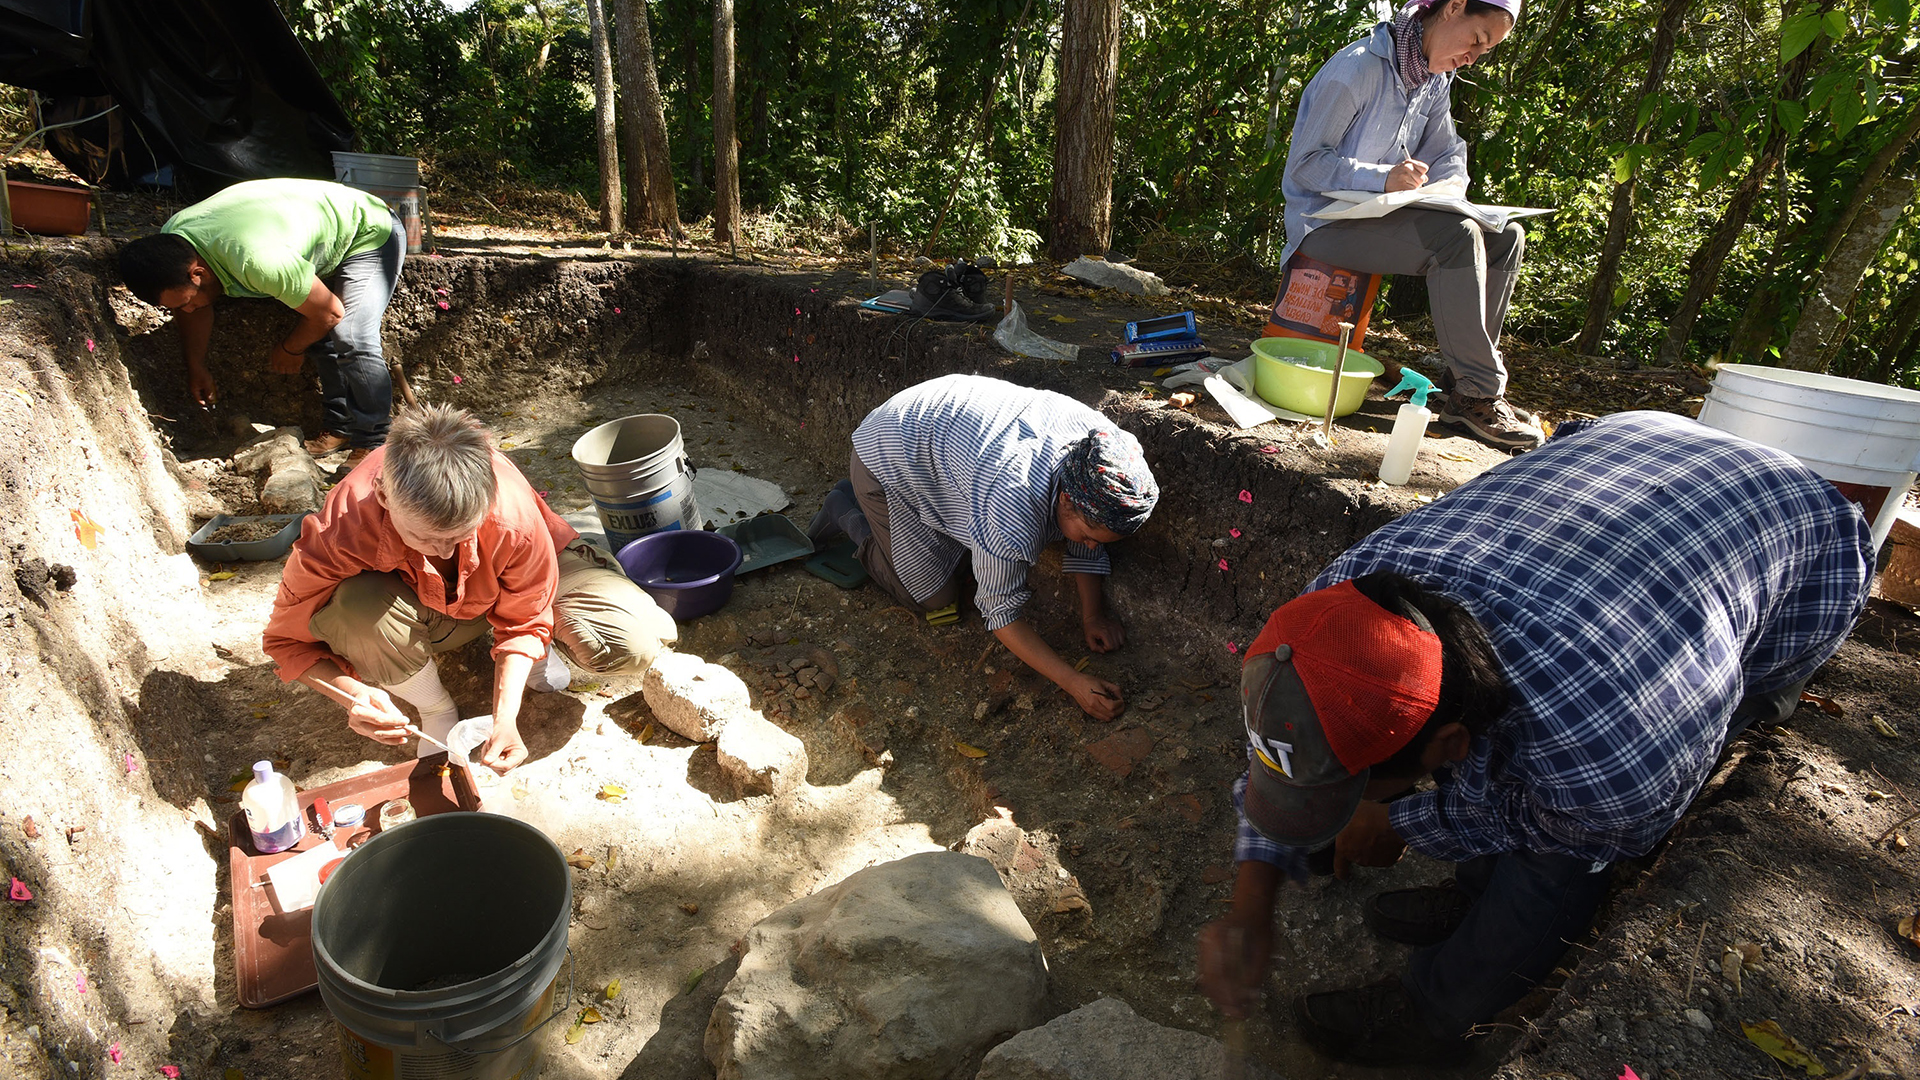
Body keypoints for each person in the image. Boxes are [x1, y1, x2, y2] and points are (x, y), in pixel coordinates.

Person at [1197, 411, 1873, 1065]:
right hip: (1638, 452)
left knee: (1562, 857)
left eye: (1352, 790)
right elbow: (1287, 743)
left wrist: (1401, 823)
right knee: (1510, 771)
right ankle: (1471, 893)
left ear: (1449, 748)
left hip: (1805, 544)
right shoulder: (1335, 611)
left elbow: (1575, 823)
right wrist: (1250, 906)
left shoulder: (1620, 745)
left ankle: (1437, 1014)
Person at [262, 405, 677, 773]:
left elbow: (525, 619)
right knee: (355, 609)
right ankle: (435, 707)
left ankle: (538, 654)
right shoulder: (343, 525)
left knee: (630, 642)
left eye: (463, 534)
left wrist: (505, 719)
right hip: (427, 604)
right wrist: (352, 695)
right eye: (424, 538)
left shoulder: (511, 513)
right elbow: (285, 642)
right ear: (385, 497)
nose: (446, 550)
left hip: (521, 585)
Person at [809, 374, 1159, 721]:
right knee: (933, 598)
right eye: (1088, 537)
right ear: (1066, 500)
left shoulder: (1111, 453)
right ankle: (845, 506)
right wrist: (1073, 682)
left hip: (941, 438)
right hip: (887, 453)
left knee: (975, 559)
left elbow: (1091, 530)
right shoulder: (1013, 505)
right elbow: (1000, 613)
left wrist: (1092, 615)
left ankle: (876, 509)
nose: (1091, 546)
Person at [1280, 0, 1542, 450]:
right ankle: (1480, 391)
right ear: (1453, 7)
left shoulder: (1434, 81)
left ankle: (1461, 386)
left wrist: (1450, 188)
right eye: (1476, 40)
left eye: (1486, 51)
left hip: (1381, 217)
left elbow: (1446, 153)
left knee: (1506, 237)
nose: (1473, 57)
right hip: (1323, 223)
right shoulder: (1356, 69)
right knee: (1455, 239)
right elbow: (1305, 165)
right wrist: (1381, 177)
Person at [118, 178, 405, 470]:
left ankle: (374, 443)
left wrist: (290, 349)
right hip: (311, 228)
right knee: (319, 333)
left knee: (351, 334)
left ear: (198, 273)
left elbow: (329, 313)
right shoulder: (174, 244)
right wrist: (196, 365)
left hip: (368, 229)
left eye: (187, 301)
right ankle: (340, 427)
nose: (189, 309)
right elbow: (192, 309)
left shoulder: (257, 260)